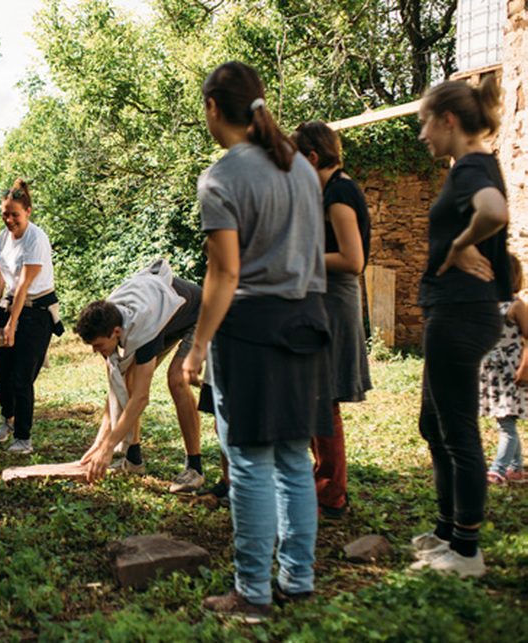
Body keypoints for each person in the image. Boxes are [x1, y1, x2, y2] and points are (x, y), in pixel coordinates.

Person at [183, 61, 332, 622]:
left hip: (252, 331)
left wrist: (197, 348)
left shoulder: (220, 177)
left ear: (214, 108)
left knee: (247, 460)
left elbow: (223, 275)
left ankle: (251, 593)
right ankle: (299, 578)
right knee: (295, 455)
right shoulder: (298, 166)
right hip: (309, 320)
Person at [408, 75, 511, 578]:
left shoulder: (471, 165)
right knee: (435, 424)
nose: (423, 134)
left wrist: (458, 243)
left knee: (458, 431)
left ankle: (467, 550)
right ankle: (449, 531)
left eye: (426, 123)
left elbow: (493, 211)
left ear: (448, 120)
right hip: (456, 312)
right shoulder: (472, 164)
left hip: (460, 313)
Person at [291, 121, 373, 522]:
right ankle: (320, 484)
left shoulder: (340, 192)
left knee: (323, 403)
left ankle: (331, 496)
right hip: (320, 302)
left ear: (312, 157)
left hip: (335, 305)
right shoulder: (326, 191)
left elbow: (354, 261)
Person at [73, 260, 207, 490]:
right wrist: (100, 443)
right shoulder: (111, 318)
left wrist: (108, 447)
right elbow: (116, 390)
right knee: (127, 381)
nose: (95, 351)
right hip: (166, 319)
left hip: (200, 313)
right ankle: (133, 461)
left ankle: (195, 468)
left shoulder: (142, 324)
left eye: (97, 345)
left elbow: (141, 398)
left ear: (117, 332)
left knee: (176, 379)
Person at [0, 180, 60, 454]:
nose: (9, 220)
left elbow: (24, 286)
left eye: (14, 214)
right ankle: (9, 420)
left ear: (28, 211)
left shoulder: (36, 238)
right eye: (5, 214)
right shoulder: (3, 238)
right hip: (10, 307)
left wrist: (13, 324)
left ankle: (23, 438)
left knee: (21, 377)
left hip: (36, 313)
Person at [479, 255, 527, 485]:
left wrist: (525, 370)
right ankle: (516, 469)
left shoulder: (516, 305)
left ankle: (497, 470)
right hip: (492, 373)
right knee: (502, 419)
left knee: (507, 422)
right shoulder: (488, 303)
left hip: (511, 372)